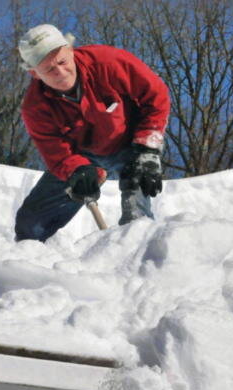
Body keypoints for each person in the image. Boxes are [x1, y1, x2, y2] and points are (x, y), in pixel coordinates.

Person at [14, 24, 170, 242]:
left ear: (70, 50)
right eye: (49, 69)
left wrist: (148, 148)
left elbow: (156, 95)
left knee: (136, 221)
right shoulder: (35, 108)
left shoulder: (108, 62)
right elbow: (57, 154)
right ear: (34, 73)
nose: (59, 71)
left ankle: (136, 258)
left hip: (131, 143)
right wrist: (76, 170)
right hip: (82, 156)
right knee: (29, 223)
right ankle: (28, 265)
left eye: (62, 61)